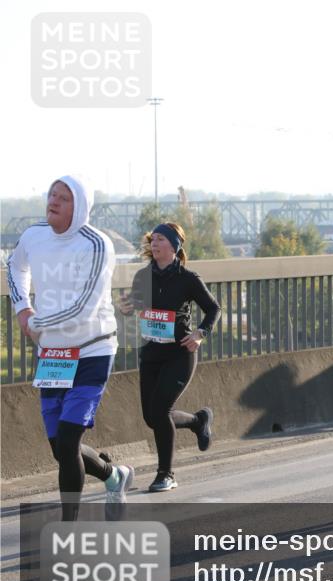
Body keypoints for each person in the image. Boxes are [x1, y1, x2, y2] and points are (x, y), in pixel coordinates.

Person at [5, 176, 133, 520]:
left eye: (64, 197)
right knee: (60, 447)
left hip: (92, 348)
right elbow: (15, 266)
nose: (54, 201)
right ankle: (114, 476)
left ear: (81, 208)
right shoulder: (34, 236)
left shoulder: (96, 244)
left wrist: (37, 324)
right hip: (53, 354)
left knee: (69, 437)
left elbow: (84, 307)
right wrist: (23, 308)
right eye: (52, 194)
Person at [118, 222, 220, 492]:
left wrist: (200, 333)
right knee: (152, 418)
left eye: (161, 239)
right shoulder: (143, 276)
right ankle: (199, 421)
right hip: (151, 352)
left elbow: (213, 309)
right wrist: (127, 307)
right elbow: (136, 305)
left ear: (174, 246)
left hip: (179, 353)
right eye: (153, 239)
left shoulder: (188, 279)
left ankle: (166, 474)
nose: (155, 243)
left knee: (161, 410)